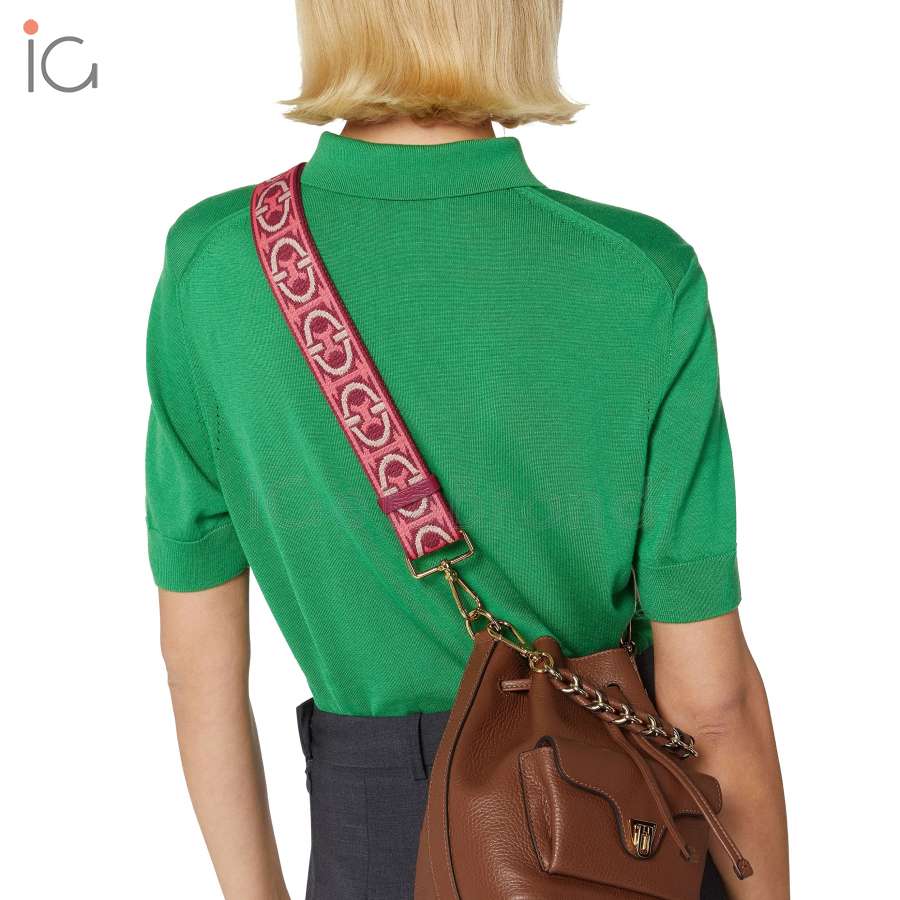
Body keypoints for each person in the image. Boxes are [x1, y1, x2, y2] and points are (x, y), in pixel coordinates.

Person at [144, 1, 789, 897]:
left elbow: (199, 670)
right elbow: (710, 703)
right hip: (621, 838)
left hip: (372, 841)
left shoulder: (213, 266)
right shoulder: (639, 273)